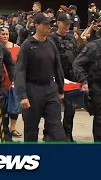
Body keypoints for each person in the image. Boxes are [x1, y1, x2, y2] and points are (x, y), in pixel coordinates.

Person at [14, 13, 66, 142]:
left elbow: (57, 67)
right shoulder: (27, 45)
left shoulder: (51, 44)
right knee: (31, 129)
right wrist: (22, 95)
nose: (49, 27)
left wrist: (60, 90)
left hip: (50, 89)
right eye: (45, 24)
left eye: (50, 24)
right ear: (37, 25)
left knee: (56, 127)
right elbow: (20, 71)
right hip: (33, 90)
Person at [48, 13, 78, 142]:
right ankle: (49, 133)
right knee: (52, 108)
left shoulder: (72, 38)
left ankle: (67, 133)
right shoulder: (51, 39)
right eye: (64, 23)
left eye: (69, 24)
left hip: (70, 77)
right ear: (58, 23)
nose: (67, 26)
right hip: (55, 77)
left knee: (70, 107)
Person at [0, 27, 22, 138]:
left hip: (13, 80)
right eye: (2, 33)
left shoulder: (17, 48)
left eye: (7, 34)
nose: (5, 36)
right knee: (2, 107)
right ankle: (4, 128)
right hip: (1, 80)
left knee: (14, 105)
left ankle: (13, 128)